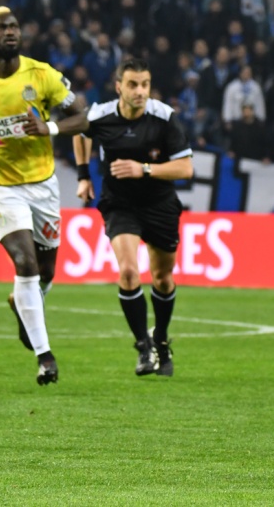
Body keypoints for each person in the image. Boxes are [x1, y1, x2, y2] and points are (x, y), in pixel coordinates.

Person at [0, 7, 88, 386]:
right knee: (25, 263)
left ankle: (23, 305)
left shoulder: (42, 75)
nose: (10, 32)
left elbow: (84, 116)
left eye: (13, 26)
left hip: (43, 184)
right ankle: (45, 357)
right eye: (0, 28)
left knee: (46, 271)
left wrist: (49, 127)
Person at [74, 58, 193, 377]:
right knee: (128, 272)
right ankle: (143, 347)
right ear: (119, 87)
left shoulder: (164, 117)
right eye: (132, 85)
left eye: (145, 85)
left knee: (162, 278)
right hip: (120, 203)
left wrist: (144, 169)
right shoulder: (101, 115)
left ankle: (161, 339)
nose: (140, 91)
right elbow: (80, 133)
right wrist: (83, 175)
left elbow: (185, 168)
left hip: (159, 204)